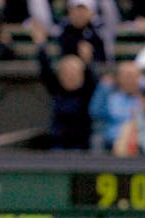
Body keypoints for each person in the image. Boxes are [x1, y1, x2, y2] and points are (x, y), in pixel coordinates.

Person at [32, 21, 97, 150]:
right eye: (66, 73)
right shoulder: (57, 90)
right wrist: (41, 45)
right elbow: (45, 71)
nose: (70, 77)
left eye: (74, 73)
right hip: (58, 143)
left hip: (81, 145)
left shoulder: (87, 92)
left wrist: (87, 60)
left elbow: (90, 75)